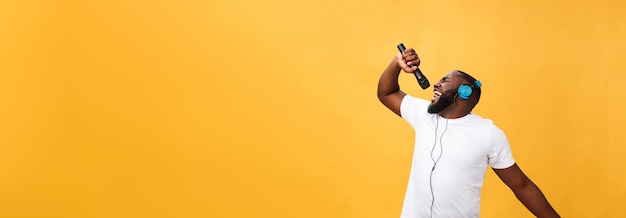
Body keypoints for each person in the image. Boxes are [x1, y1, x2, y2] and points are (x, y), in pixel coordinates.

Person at [377, 46, 560, 218]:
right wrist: (397, 63)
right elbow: (386, 93)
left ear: (464, 92)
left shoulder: (488, 133)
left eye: (445, 81)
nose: (436, 84)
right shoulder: (423, 114)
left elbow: (522, 186)